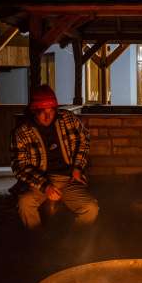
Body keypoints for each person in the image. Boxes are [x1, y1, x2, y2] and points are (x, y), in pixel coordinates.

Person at [10, 85, 99, 230]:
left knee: (91, 208)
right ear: (33, 111)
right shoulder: (22, 132)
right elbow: (19, 166)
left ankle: (75, 241)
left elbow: (83, 139)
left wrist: (77, 167)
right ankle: (38, 241)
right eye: (42, 112)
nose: (48, 116)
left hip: (68, 178)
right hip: (39, 181)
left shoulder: (67, 119)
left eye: (51, 111)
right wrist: (45, 186)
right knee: (25, 204)